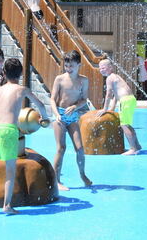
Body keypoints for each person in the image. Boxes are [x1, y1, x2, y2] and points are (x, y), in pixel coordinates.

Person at [0, 58, 49, 215]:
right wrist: (44, 119)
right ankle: (7, 205)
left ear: (4, 73)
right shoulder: (22, 90)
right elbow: (40, 105)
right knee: (10, 170)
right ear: (20, 74)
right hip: (9, 131)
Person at [50, 50, 92, 191]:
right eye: (66, 66)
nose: (68, 69)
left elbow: (84, 99)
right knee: (61, 148)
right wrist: (56, 114)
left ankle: (83, 175)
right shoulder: (60, 79)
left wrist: (75, 106)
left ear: (79, 65)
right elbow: (52, 99)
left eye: (71, 66)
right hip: (60, 116)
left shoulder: (83, 80)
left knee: (79, 148)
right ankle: (56, 180)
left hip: (73, 116)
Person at [98, 59, 142, 155]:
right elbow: (115, 96)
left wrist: (105, 109)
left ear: (111, 68)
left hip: (125, 100)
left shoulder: (109, 78)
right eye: (100, 68)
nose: (101, 70)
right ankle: (137, 146)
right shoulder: (115, 77)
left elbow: (109, 95)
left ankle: (133, 148)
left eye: (103, 68)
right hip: (130, 99)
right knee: (128, 124)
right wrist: (112, 109)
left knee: (124, 125)